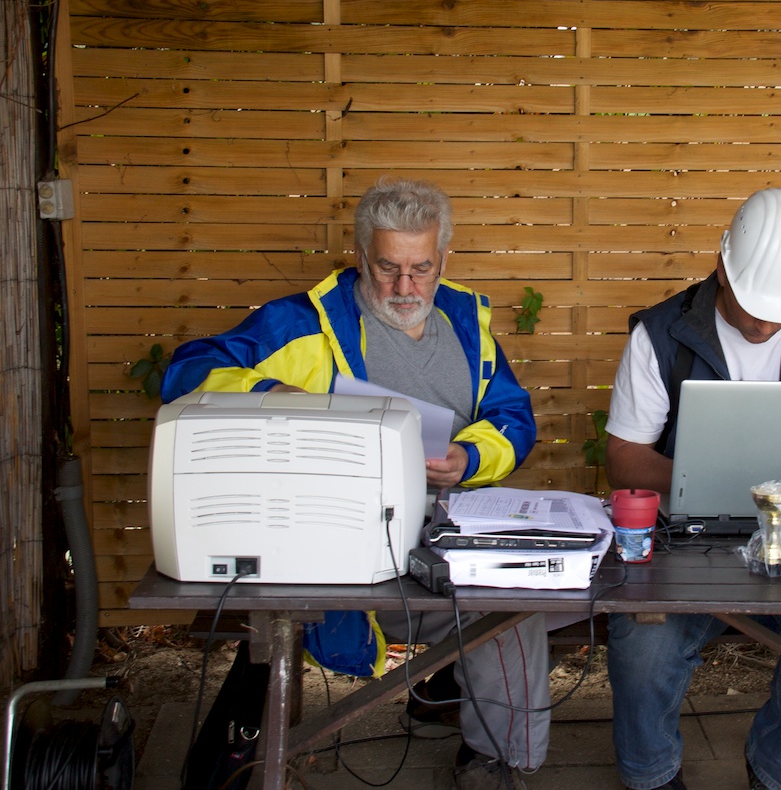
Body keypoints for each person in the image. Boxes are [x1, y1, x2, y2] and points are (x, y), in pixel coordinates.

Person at [161, 177, 545, 790]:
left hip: (450, 528)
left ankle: (465, 714)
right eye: (388, 268)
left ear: (444, 259)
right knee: (510, 614)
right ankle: (497, 763)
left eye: (421, 269)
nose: (405, 287)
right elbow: (186, 372)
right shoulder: (302, 323)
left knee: (561, 586)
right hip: (345, 542)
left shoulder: (466, 322)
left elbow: (513, 416)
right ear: (361, 256)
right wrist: (270, 393)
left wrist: (468, 458)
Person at [602, 187, 781, 790]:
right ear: (723, 267)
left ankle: (776, 768)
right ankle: (652, 775)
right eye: (754, 307)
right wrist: (708, 474)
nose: (764, 324)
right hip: (684, 542)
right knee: (644, 645)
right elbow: (623, 460)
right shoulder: (663, 334)